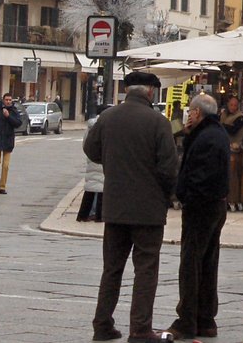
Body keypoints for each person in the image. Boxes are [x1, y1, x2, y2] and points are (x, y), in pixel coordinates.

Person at [85, 73, 177, 343]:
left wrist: (113, 162)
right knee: (146, 269)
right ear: (150, 91)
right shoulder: (158, 122)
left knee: (112, 268)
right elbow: (169, 168)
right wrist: (165, 195)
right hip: (148, 210)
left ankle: (102, 324)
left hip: (115, 206)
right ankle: (140, 329)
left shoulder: (108, 118)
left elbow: (91, 150)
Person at [167, 93, 230, 340]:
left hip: (202, 207)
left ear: (197, 113)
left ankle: (187, 319)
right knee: (207, 262)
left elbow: (200, 175)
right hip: (215, 205)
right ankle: (205, 319)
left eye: (190, 111)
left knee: (191, 264)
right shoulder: (216, 133)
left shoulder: (206, 137)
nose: (188, 115)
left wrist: (185, 195)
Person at [0, 93, 22, 194]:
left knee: (6, 166)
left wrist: (8, 116)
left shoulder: (13, 111)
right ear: (3, 100)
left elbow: (18, 123)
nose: (8, 102)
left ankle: (2, 187)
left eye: (10, 100)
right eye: (6, 100)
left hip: (8, 141)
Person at [77, 105, 106, 223]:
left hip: (92, 158)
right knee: (101, 188)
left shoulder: (90, 126)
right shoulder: (104, 125)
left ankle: (83, 214)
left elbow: (85, 143)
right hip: (102, 159)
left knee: (91, 187)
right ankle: (99, 215)